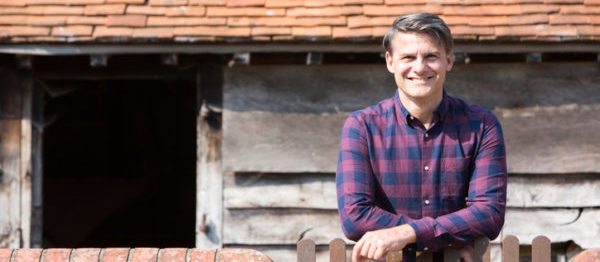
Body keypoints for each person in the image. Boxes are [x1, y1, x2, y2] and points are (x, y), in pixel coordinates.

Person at [336, 13, 507, 262]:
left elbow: (489, 214)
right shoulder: (362, 127)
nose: (419, 67)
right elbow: (354, 216)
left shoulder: (482, 126)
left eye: (430, 56)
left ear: (448, 60)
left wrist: (407, 233)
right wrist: (448, 234)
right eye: (408, 57)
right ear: (390, 62)